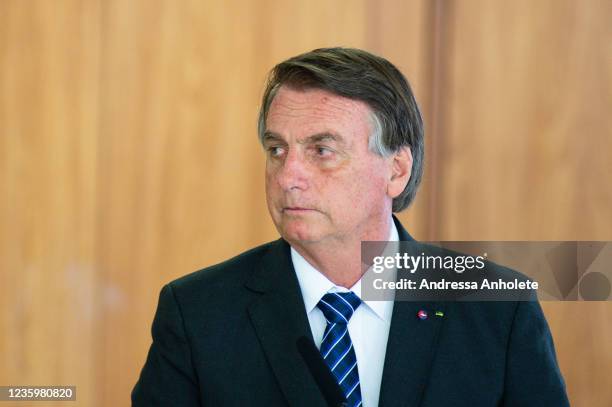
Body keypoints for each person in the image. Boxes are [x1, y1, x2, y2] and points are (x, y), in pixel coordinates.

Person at [132, 47, 569, 406]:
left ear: (396, 170)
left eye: (321, 149)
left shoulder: (497, 308)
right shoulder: (198, 312)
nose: (287, 177)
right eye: (277, 149)